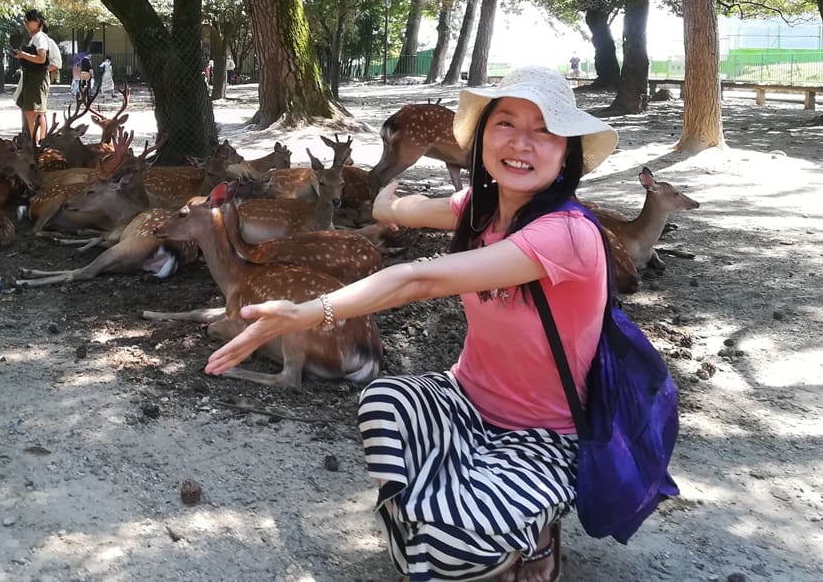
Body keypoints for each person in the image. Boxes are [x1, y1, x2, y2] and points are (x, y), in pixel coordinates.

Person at [205, 65, 619, 582]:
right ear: (483, 139)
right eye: (505, 124)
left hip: (545, 433)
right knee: (384, 401)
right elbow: (408, 208)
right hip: (467, 401)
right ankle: (461, 526)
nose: (521, 143)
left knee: (445, 549)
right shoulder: (481, 207)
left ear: (567, 153)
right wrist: (387, 201)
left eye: (544, 130)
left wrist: (304, 313)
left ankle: (528, 534)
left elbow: (415, 282)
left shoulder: (567, 235)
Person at [12, 9, 54, 141]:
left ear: (37, 22)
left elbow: (41, 58)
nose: (26, 24)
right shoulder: (35, 38)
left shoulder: (40, 37)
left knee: (34, 112)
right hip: (33, 78)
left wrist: (23, 55)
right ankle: (38, 142)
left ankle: (37, 143)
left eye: (28, 21)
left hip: (37, 79)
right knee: (36, 112)